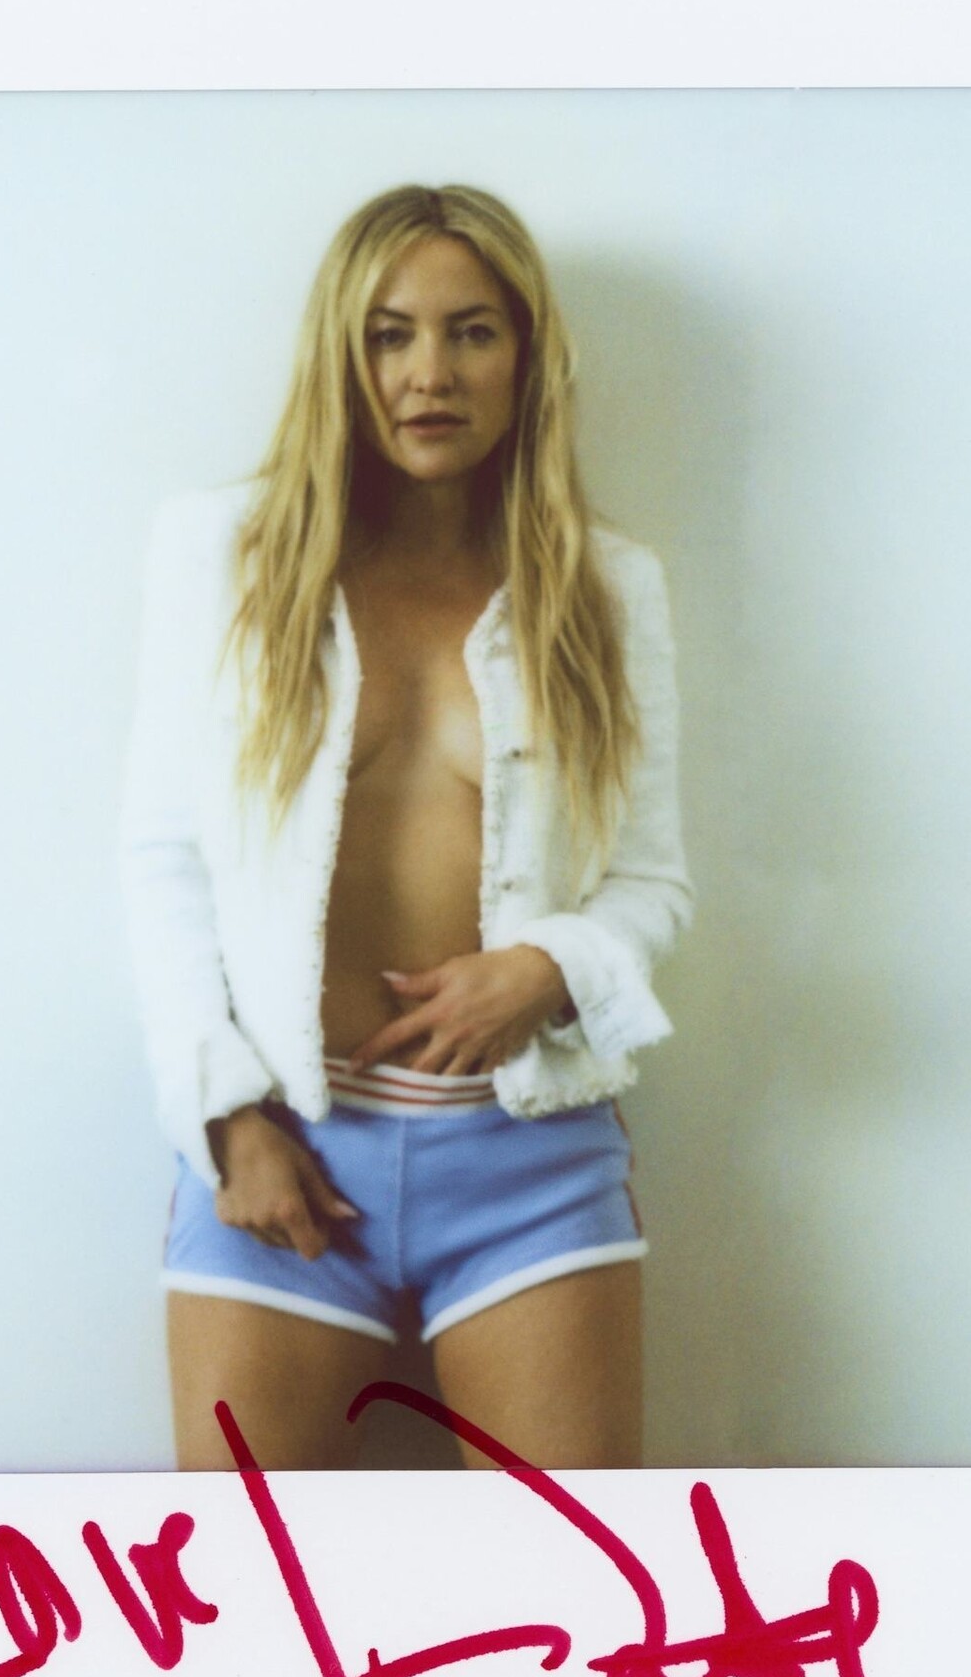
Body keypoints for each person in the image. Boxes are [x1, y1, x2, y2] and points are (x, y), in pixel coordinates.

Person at [120, 183, 692, 1471]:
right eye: (390, 334)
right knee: (252, 1581)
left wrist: (549, 967)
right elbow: (165, 859)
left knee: (573, 1571)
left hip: (529, 1163)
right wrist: (226, 1120)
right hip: (284, 1151)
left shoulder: (608, 589)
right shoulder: (223, 555)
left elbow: (651, 882)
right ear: (343, 351)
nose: (429, 373)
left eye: (472, 332)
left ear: (526, 354)